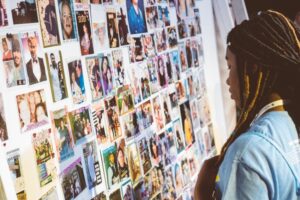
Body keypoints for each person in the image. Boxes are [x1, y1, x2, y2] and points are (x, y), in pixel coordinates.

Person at [195, 10, 300, 200]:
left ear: (252, 68)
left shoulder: (247, 154)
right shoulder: (290, 121)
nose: (227, 81)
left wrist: (201, 194)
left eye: (230, 67)